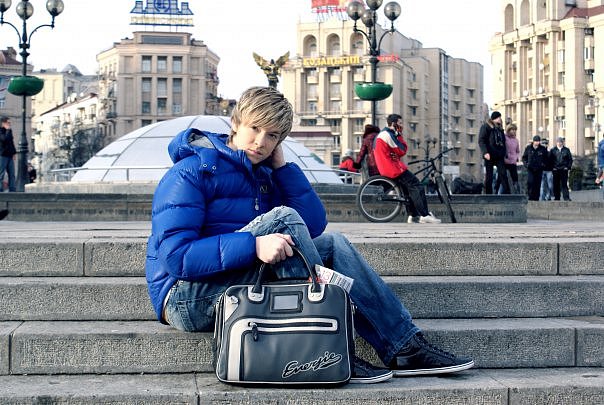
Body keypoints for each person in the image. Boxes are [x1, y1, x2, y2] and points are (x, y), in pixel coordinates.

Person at [145, 87, 473, 385]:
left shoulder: (265, 174)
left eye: (272, 135)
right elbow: (177, 258)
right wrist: (253, 245)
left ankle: (404, 347)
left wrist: (283, 170)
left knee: (334, 244)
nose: (261, 142)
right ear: (235, 123)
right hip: (185, 297)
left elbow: (312, 226)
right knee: (283, 219)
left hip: (235, 279)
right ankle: (326, 348)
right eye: (254, 128)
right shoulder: (191, 172)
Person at [373, 114, 441, 224]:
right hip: (393, 168)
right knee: (417, 185)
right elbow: (402, 150)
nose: (402, 125)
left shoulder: (383, 134)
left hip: (387, 167)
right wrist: (399, 135)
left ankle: (413, 215)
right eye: (400, 123)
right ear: (394, 124)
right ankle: (424, 215)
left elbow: (394, 151)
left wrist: (394, 153)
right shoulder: (388, 134)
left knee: (407, 190)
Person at [478, 111, 510, 194]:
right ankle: (488, 194)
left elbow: (503, 142)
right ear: (494, 118)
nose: (500, 119)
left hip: (499, 155)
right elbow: (481, 140)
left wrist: (504, 153)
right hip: (489, 154)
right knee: (489, 175)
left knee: (503, 174)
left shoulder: (500, 129)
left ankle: (507, 193)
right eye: (498, 117)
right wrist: (485, 152)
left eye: (500, 117)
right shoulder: (486, 127)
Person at [522, 135, 548, 201]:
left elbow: (546, 158)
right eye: (536, 141)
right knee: (530, 182)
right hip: (530, 169)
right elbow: (524, 157)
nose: (537, 143)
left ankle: (536, 198)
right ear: (533, 141)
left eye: (538, 141)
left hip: (539, 169)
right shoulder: (528, 148)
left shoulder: (542, 149)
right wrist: (526, 164)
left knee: (537, 183)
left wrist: (543, 164)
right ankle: (530, 196)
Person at [550, 137, 573, 201]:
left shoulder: (566, 150)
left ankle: (566, 197)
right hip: (555, 170)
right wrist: (552, 168)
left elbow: (570, 159)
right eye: (558, 142)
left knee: (564, 184)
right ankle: (557, 197)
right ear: (556, 142)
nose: (559, 143)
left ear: (562, 143)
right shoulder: (553, 150)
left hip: (564, 169)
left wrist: (567, 167)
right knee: (556, 184)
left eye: (560, 142)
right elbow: (550, 160)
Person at [501, 123, 521, 194]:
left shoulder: (516, 140)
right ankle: (500, 193)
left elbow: (518, 151)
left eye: (515, 130)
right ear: (508, 130)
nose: (514, 131)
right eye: (512, 130)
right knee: (502, 178)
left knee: (515, 178)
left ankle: (517, 194)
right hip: (504, 161)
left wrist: (516, 157)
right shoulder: (504, 138)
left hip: (513, 162)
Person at [0, 116, 17, 192]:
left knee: (12, 173)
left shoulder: (9, 131)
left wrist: (14, 153)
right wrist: (7, 130)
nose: (9, 124)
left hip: (10, 155)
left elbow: (11, 142)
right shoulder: (1, 131)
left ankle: (12, 189)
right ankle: (0, 189)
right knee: (1, 173)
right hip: (2, 155)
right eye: (8, 122)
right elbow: (4, 139)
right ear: (3, 123)